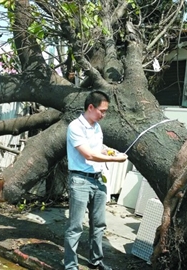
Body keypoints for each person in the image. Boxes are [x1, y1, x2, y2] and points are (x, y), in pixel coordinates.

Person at [64, 90, 128, 270]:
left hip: (98, 180)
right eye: (102, 111)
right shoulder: (75, 127)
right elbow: (89, 155)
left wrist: (109, 151)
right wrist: (115, 160)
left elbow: (97, 149)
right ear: (90, 107)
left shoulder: (97, 127)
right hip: (80, 181)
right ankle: (70, 266)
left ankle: (96, 260)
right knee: (75, 226)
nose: (104, 115)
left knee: (99, 224)